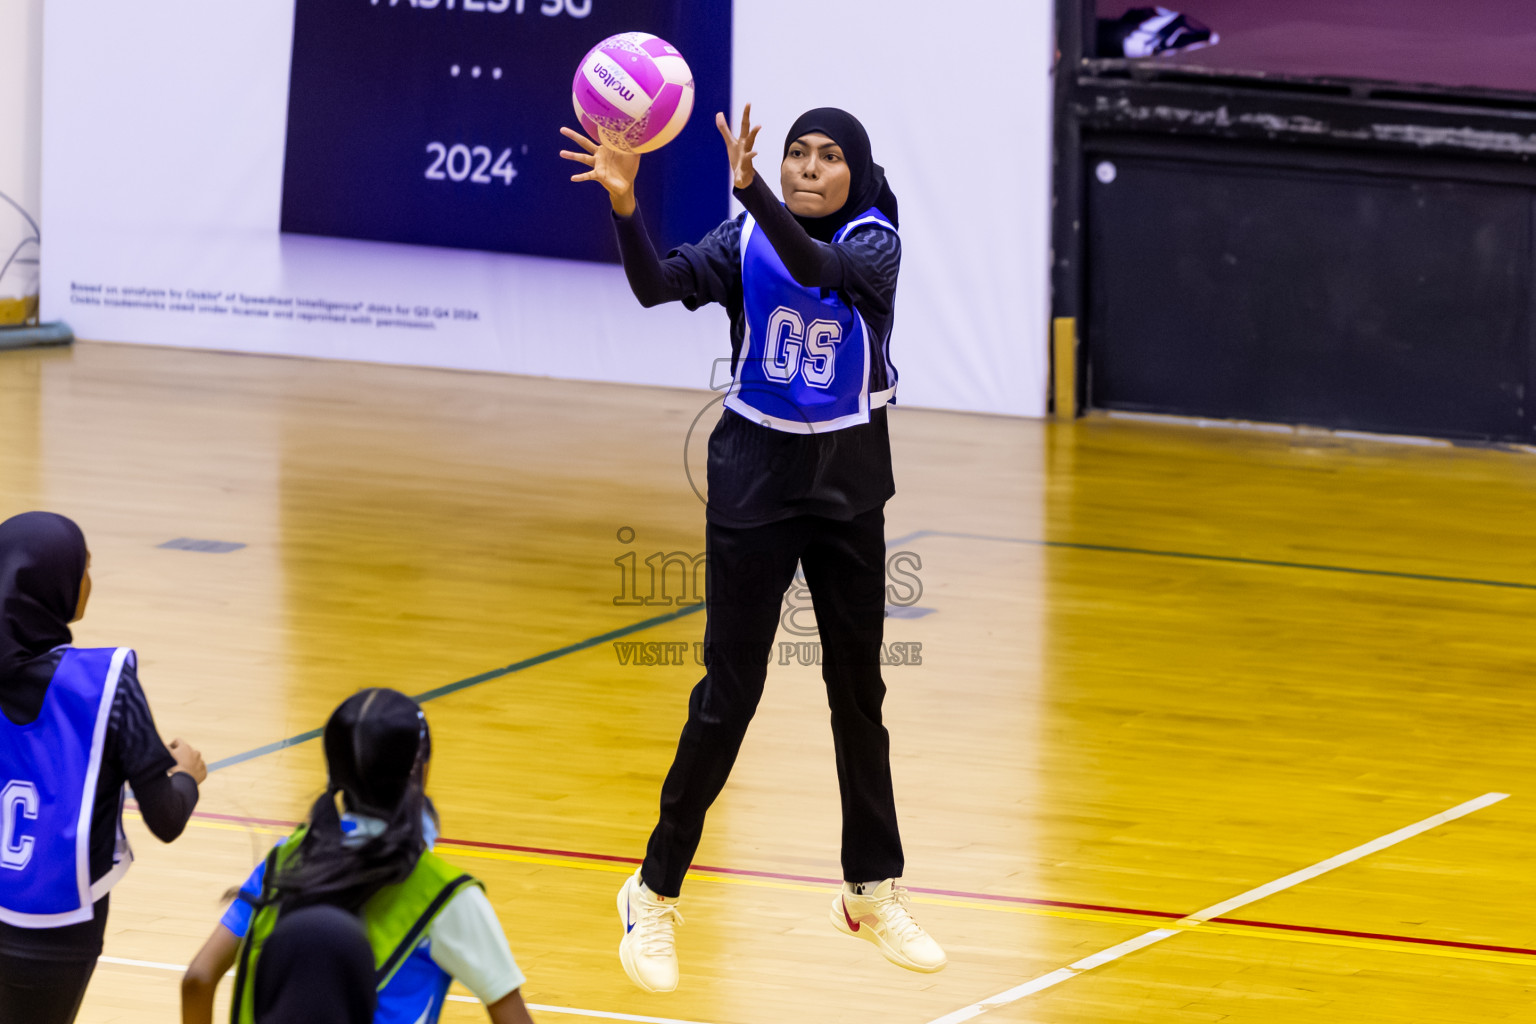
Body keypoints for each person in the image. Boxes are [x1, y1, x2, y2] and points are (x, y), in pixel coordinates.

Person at [560, 103, 946, 992]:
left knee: (859, 692)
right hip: (754, 483)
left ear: (857, 171)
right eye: (797, 153)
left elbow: (819, 267)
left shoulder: (876, 242)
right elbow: (655, 284)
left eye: (829, 157)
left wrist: (756, 191)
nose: (809, 168)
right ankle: (652, 893)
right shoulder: (744, 238)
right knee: (728, 695)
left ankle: (871, 889)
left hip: (848, 488)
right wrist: (626, 205)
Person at [181, 688, 537, 1024]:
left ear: (332, 770)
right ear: (421, 769)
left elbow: (198, 978)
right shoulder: (446, 895)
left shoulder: (284, 859)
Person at [0, 511, 206, 1023]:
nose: (90, 581)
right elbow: (166, 819)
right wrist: (186, 777)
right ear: (54, 583)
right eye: (85, 568)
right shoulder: (106, 685)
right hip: (58, 932)